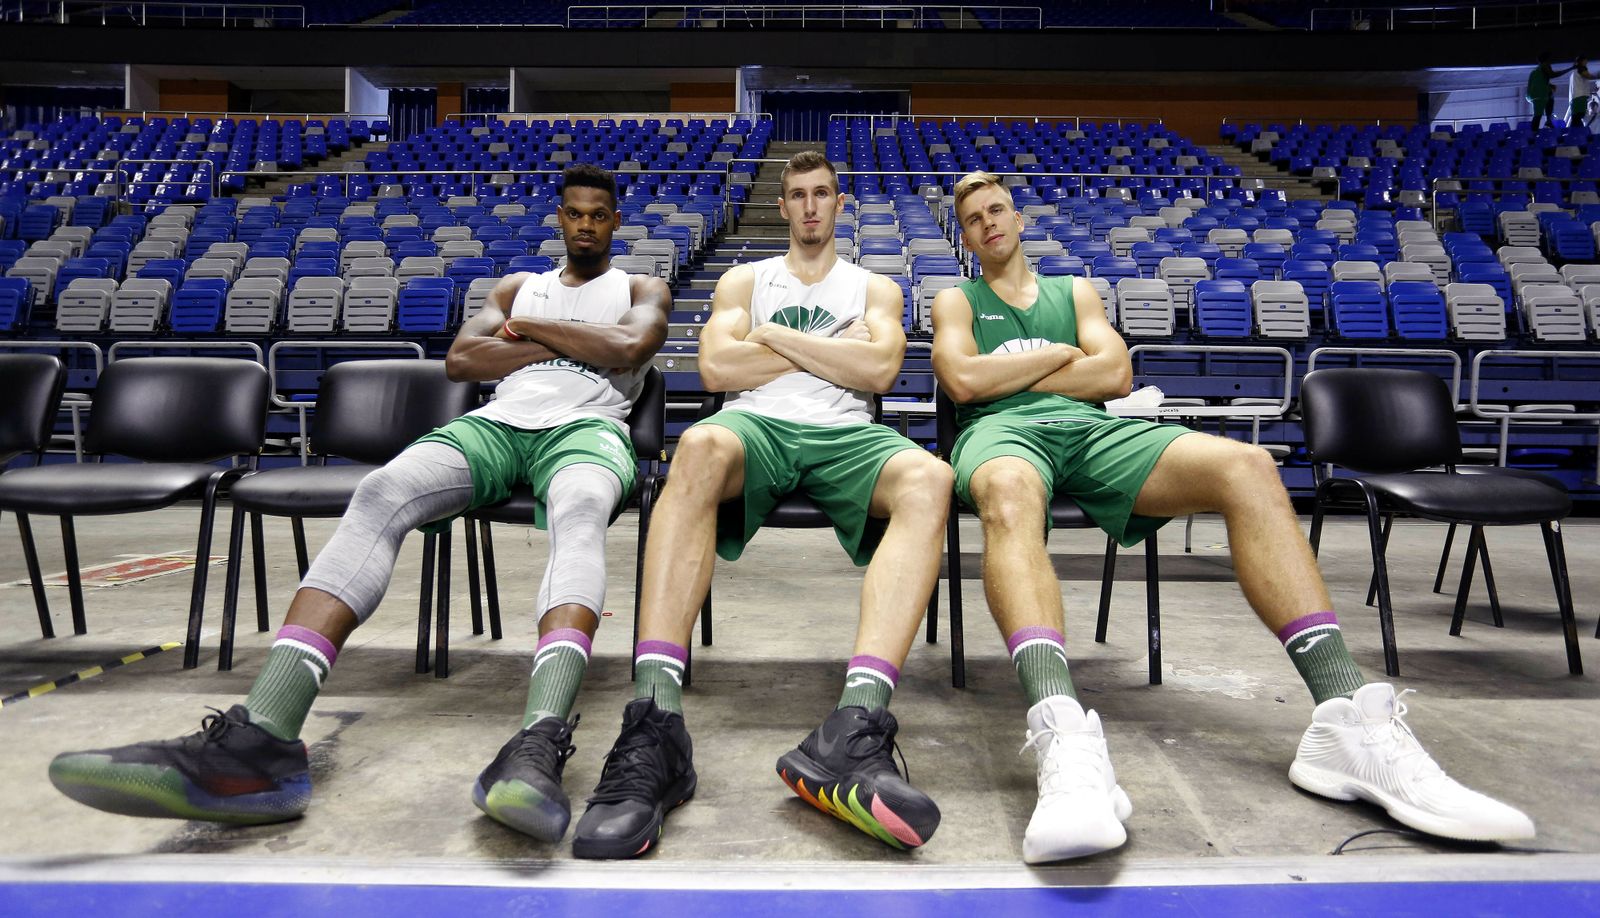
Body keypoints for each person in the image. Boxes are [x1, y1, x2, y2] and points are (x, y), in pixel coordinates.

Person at [47, 164, 671, 846]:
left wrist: (530, 332)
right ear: (559, 217)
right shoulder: (519, 286)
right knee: (381, 489)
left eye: (599, 214)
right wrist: (565, 337)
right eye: (574, 212)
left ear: (615, 220)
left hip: (589, 431)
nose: (585, 224)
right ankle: (263, 744)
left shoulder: (636, 287)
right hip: (493, 428)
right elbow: (462, 363)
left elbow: (631, 346)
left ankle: (538, 741)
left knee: (581, 511)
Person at [930, 170, 1537, 864]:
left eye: (997, 209)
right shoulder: (957, 298)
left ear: (1019, 217)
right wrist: (1064, 355)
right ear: (968, 236)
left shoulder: (1076, 292)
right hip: (1001, 436)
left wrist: (1034, 368)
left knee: (1247, 466)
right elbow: (964, 383)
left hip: (1094, 434)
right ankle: (1063, 734)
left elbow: (1116, 376)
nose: (988, 223)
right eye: (973, 218)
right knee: (1008, 490)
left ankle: (1344, 723)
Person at [567, 150, 953, 860]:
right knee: (699, 448)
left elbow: (880, 368)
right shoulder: (745, 278)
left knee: (931, 479)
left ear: (841, 204)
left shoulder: (875, 287)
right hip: (757, 426)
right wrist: (819, 347)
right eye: (798, 195)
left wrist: (768, 337)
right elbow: (719, 368)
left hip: (847, 432)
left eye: (823, 194)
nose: (810, 206)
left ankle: (855, 725)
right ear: (782, 207)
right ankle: (655, 721)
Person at [1529, 52, 1577, 131]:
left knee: (1548, 100)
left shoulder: (1536, 71)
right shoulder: (1544, 66)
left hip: (1535, 94)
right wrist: (1570, 69)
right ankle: (1536, 131)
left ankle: (1547, 122)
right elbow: (1553, 74)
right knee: (1538, 115)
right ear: (1546, 60)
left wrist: (1549, 85)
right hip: (1538, 95)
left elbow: (1539, 82)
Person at [1570, 58, 1599, 129]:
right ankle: (1578, 135)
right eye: (1585, 60)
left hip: (1577, 98)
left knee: (1576, 118)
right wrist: (1598, 76)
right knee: (1577, 117)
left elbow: (1581, 84)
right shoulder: (1581, 69)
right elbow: (1588, 76)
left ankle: (1577, 135)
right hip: (1579, 98)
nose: (1587, 62)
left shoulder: (1574, 72)